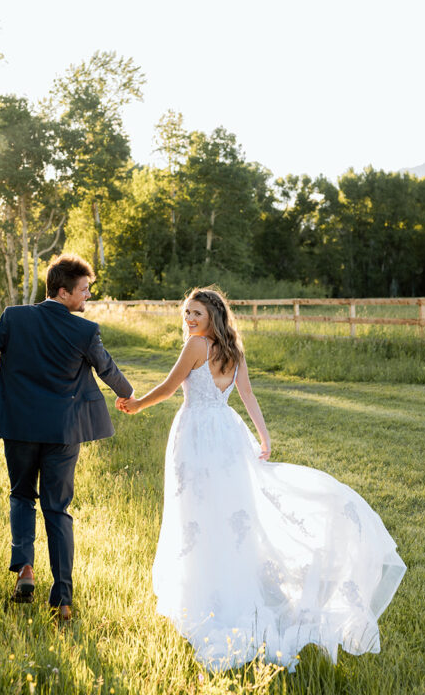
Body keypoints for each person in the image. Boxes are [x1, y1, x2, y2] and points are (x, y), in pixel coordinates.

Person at [117, 287, 406, 670]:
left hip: (197, 433)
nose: (189, 321)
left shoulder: (195, 348)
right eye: (186, 313)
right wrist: (264, 437)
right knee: (230, 508)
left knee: (199, 511)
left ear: (213, 316)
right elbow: (248, 396)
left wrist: (136, 404)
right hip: (228, 432)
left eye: (196, 314)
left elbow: (171, 388)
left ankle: (206, 588)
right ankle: (227, 576)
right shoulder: (233, 350)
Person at [0, 253, 133, 617]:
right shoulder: (85, 331)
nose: (87, 298)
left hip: (19, 428)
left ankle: (25, 569)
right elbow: (108, 370)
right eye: (83, 291)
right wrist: (129, 396)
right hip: (64, 432)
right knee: (57, 509)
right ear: (64, 292)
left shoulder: (14, 317)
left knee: (21, 495)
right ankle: (63, 600)